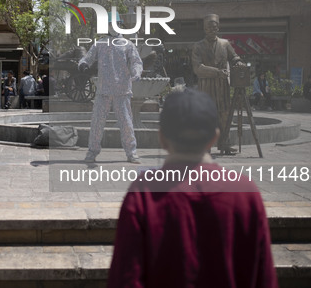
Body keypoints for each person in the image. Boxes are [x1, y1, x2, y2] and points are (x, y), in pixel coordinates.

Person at [107, 89, 278, 288]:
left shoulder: (143, 194)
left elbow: (125, 279)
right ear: (214, 138)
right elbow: (264, 278)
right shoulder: (245, 192)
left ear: (162, 139)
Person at [79, 28, 143, 164]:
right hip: (104, 90)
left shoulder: (127, 44)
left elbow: (136, 61)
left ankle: (131, 153)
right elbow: (88, 57)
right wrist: (83, 64)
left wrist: (136, 72)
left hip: (122, 90)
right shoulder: (100, 44)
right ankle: (92, 152)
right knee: (97, 122)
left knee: (126, 122)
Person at [192, 13, 245, 154]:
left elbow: (234, 57)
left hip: (222, 86)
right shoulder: (198, 46)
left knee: (225, 114)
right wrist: (217, 72)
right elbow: (197, 68)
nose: (212, 30)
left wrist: (238, 62)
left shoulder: (225, 44)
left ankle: (224, 143)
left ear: (218, 28)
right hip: (206, 85)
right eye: (209, 28)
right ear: (204, 29)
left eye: (214, 27)